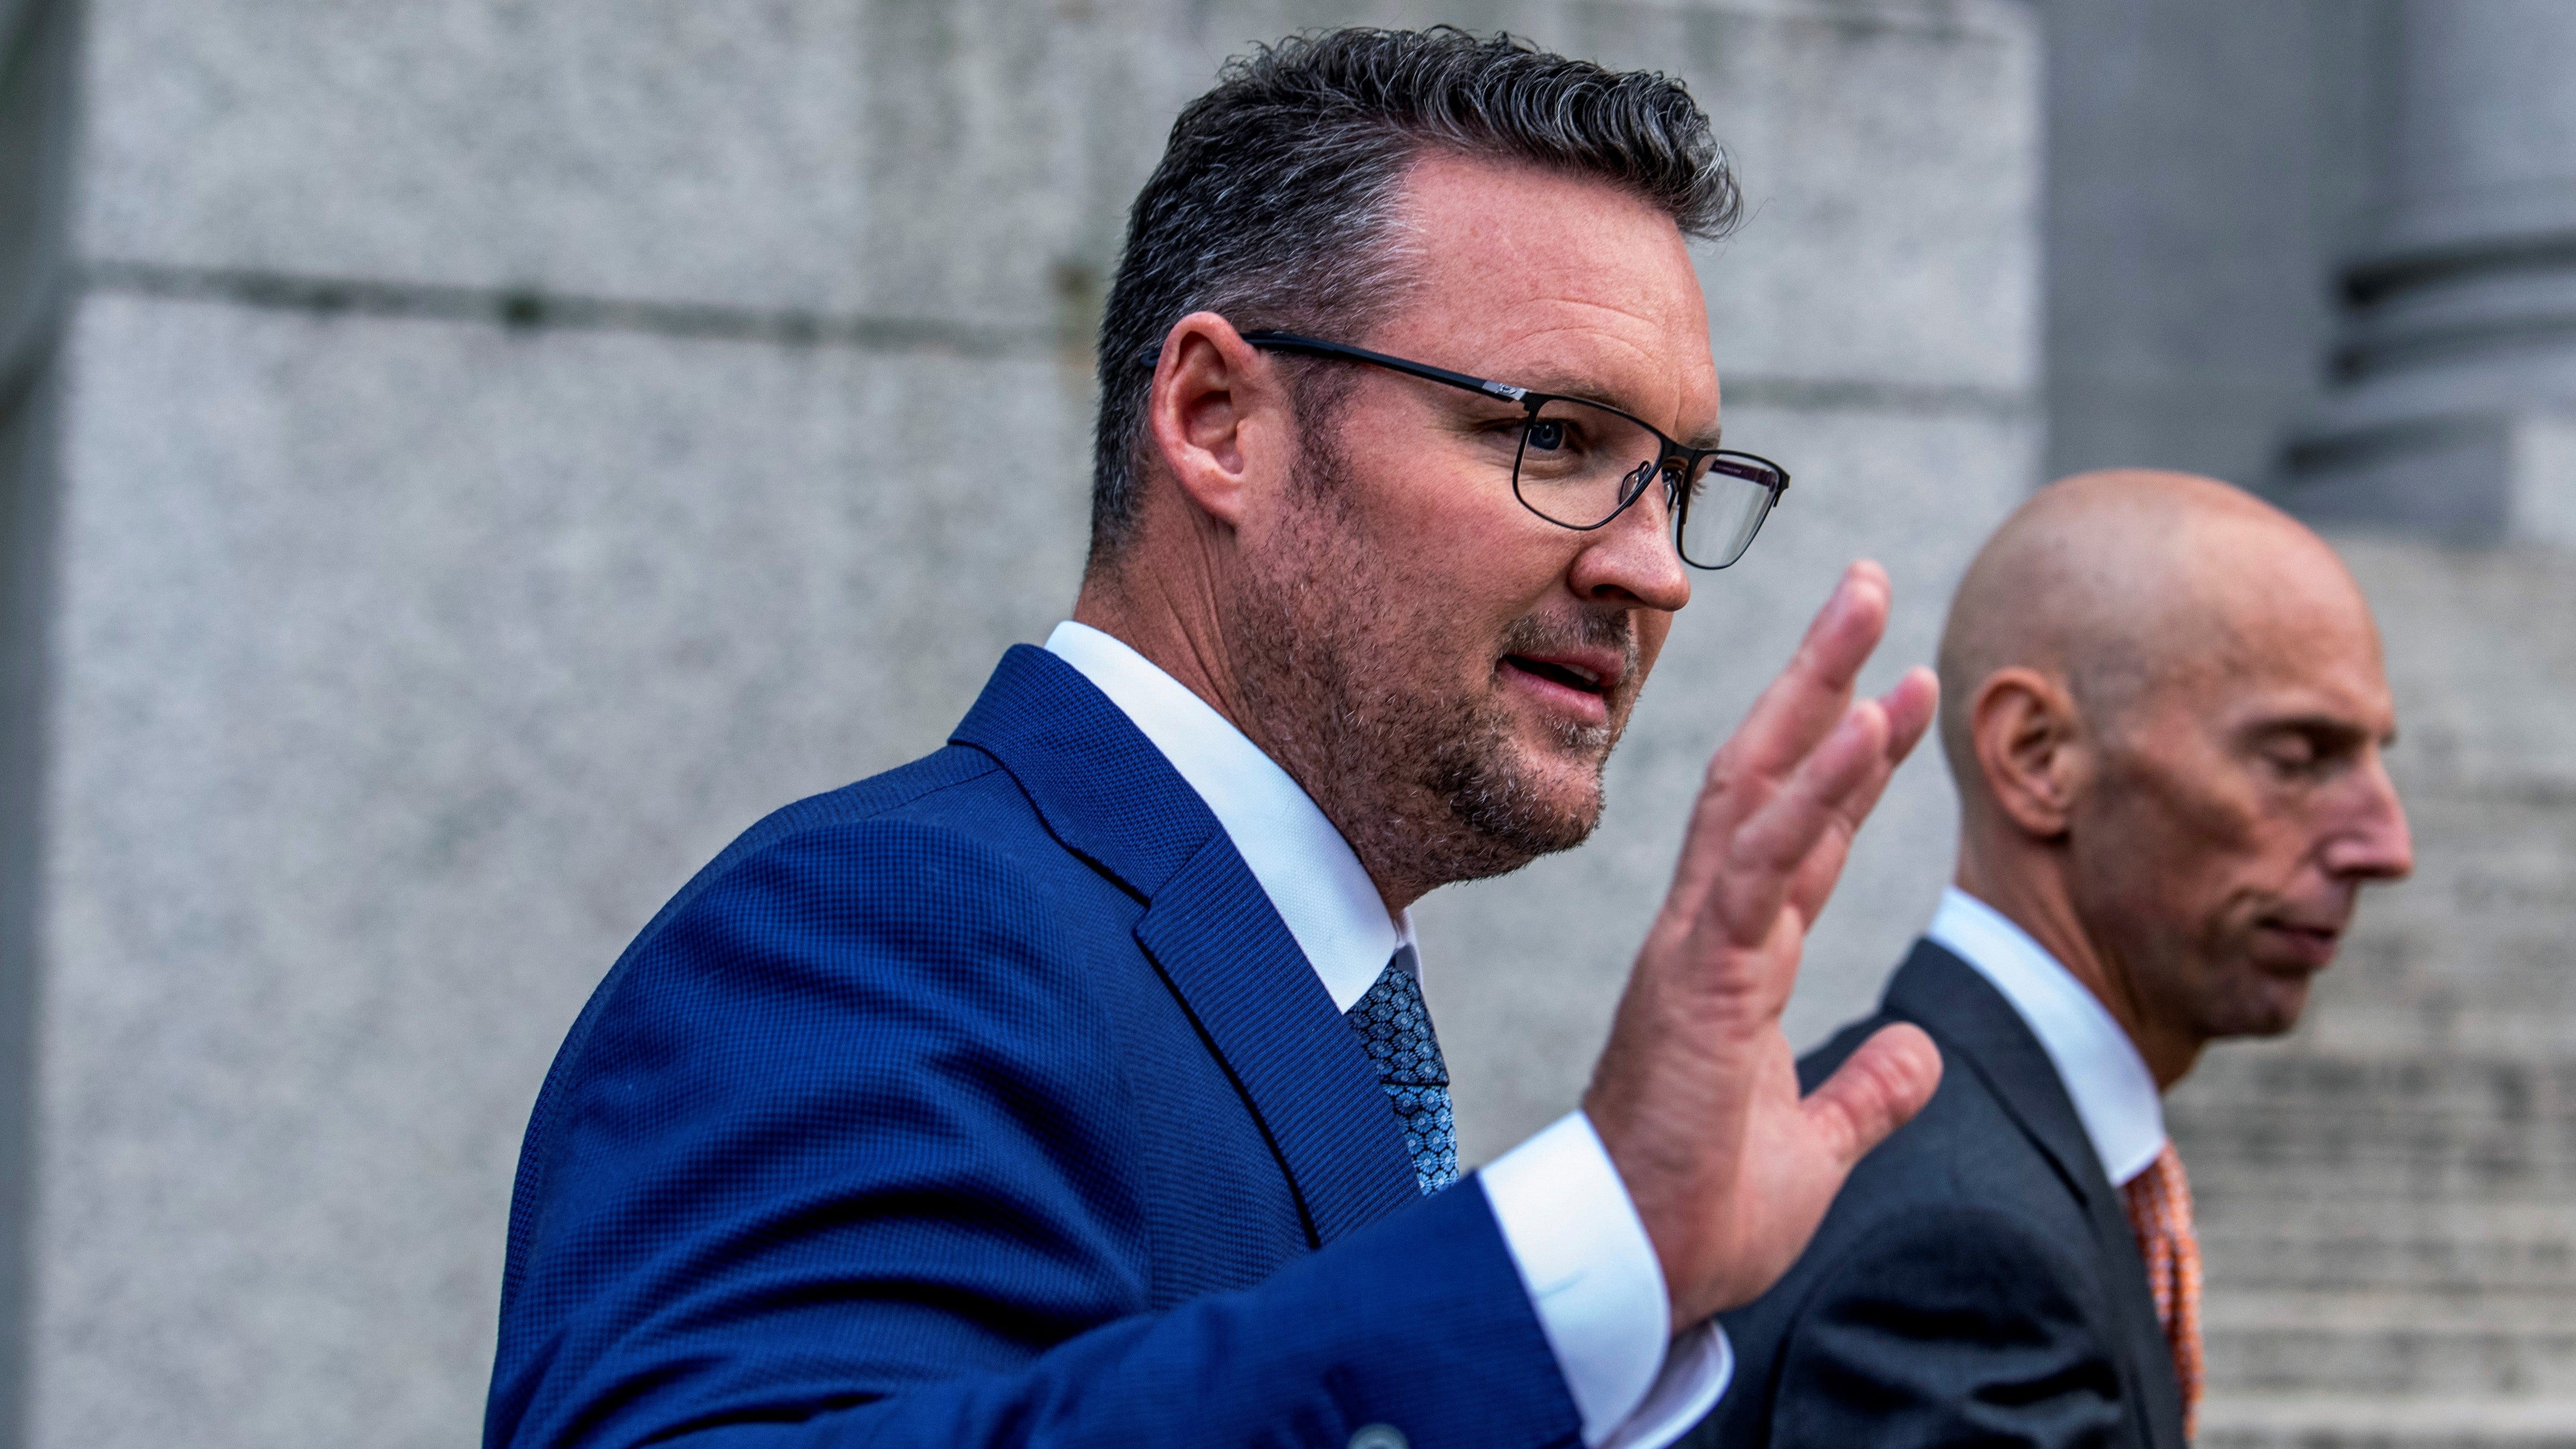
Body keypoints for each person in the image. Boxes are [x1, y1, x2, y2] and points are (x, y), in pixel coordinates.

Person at [482, 28, 1947, 1449]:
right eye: (1553, 437)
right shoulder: (884, 924)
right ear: (1214, 417)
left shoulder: (1297, 989)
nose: (1656, 568)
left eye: (1677, 478)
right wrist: (1568, 1253)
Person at [1689, 470, 2416, 1449]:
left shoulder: (1973, 1161)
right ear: (2036, 756)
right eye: (2297, 757)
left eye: (2376, 755)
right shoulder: (1960, 1244)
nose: (2386, 843)